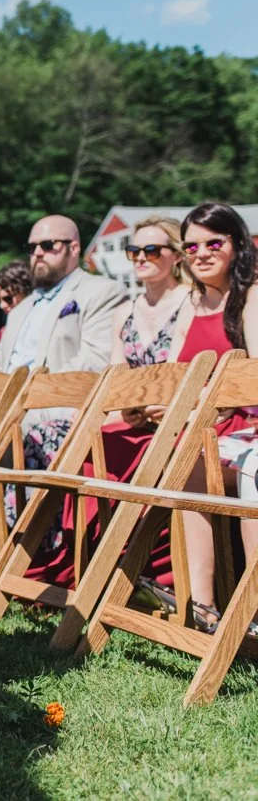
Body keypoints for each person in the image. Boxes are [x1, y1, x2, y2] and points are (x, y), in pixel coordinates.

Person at [21, 216, 193, 587]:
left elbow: (181, 376)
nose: (141, 257)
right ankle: (70, 555)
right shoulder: (125, 311)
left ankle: (125, 567)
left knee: (98, 445)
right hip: (129, 421)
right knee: (72, 440)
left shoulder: (189, 303)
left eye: (152, 250)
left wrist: (155, 407)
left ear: (176, 257)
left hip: (173, 421)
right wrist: (123, 408)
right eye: (135, 251)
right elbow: (114, 382)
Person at [0, 216, 127, 459]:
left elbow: (94, 360)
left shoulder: (101, 291)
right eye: (32, 248)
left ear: (74, 248)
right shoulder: (22, 308)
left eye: (49, 245)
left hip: (53, 406)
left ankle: (17, 496)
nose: (38, 253)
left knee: (11, 427)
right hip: (3, 405)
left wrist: (18, 398)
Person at [171, 204, 258, 629]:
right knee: (186, 460)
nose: (201, 253)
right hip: (192, 426)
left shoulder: (252, 296)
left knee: (199, 463)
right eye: (191, 246)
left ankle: (247, 606)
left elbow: (253, 374)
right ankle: (203, 606)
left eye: (213, 243)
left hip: (242, 423)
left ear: (237, 244)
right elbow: (173, 373)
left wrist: (201, 398)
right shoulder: (189, 302)